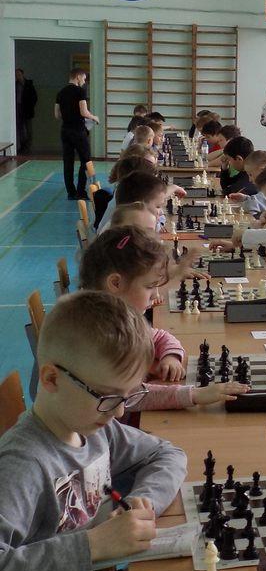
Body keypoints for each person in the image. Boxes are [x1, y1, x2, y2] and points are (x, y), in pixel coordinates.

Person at [0, 291, 188, 571]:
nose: (120, 412)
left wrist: (140, 503)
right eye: (107, 398)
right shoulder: (23, 464)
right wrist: (94, 546)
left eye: (128, 396)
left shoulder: (91, 427)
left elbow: (168, 454)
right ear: (51, 378)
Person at [78, 231, 247, 409]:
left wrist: (170, 357)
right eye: (150, 286)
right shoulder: (101, 336)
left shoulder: (122, 320)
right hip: (119, 420)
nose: (156, 296)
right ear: (116, 283)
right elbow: (130, 397)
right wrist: (193, 395)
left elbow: (159, 337)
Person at [55, 67, 99, 200]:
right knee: (85, 160)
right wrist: (94, 117)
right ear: (78, 77)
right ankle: (81, 191)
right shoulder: (80, 91)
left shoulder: (60, 92)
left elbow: (57, 115)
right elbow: (83, 112)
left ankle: (71, 192)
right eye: (84, 79)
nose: (84, 82)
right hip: (78, 131)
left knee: (68, 162)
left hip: (65, 130)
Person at [226, 150, 266, 219]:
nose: (249, 179)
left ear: (262, 171)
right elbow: (260, 202)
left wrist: (244, 204)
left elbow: (250, 206)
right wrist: (245, 198)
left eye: (250, 175)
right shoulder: (265, 189)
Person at [14, 68, 37, 153]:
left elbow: (34, 97)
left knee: (28, 129)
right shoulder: (15, 84)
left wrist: (30, 106)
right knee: (20, 129)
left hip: (27, 109)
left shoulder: (29, 84)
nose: (18, 76)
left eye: (19, 74)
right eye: (16, 75)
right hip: (18, 108)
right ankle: (23, 146)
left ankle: (28, 147)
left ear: (23, 75)